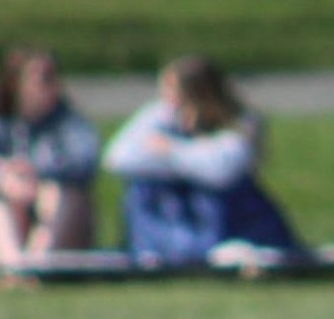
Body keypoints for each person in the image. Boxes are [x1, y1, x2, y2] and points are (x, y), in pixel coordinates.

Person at [101, 56, 299, 266]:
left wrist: (171, 151)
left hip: (224, 210)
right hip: (172, 207)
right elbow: (118, 159)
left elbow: (221, 170)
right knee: (141, 192)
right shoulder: (160, 115)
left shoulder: (239, 122)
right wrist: (188, 160)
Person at [0, 47, 101, 274]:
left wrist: (36, 174)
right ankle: (15, 268)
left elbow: (86, 162)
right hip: (10, 217)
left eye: (53, 77)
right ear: (15, 83)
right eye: (42, 78)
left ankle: (37, 266)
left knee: (56, 194)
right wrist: (4, 181)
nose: (51, 86)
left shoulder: (70, 124)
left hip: (60, 221)